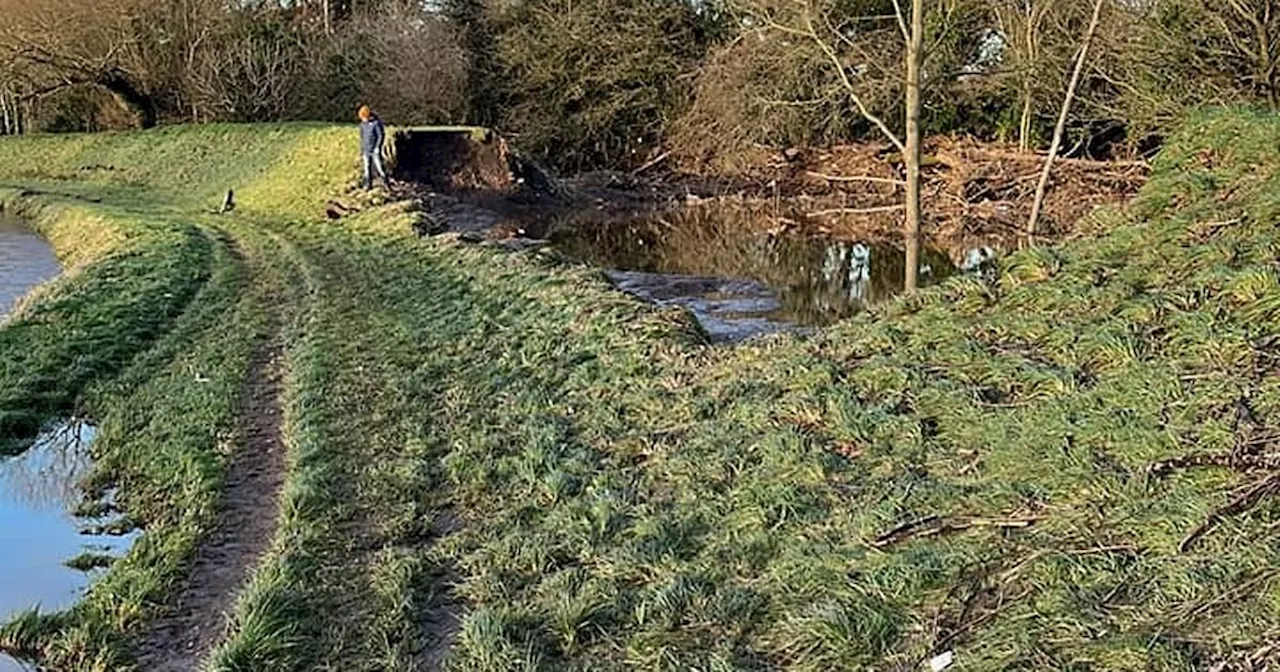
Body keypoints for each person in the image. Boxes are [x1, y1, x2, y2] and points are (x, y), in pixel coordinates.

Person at [358, 105, 390, 190]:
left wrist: (378, 147)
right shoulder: (362, 125)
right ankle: (368, 184)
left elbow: (381, 135)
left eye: (365, 118)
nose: (364, 120)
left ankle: (386, 183)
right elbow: (362, 137)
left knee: (379, 167)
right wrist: (361, 149)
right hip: (366, 149)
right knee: (366, 168)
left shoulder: (376, 123)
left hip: (375, 149)